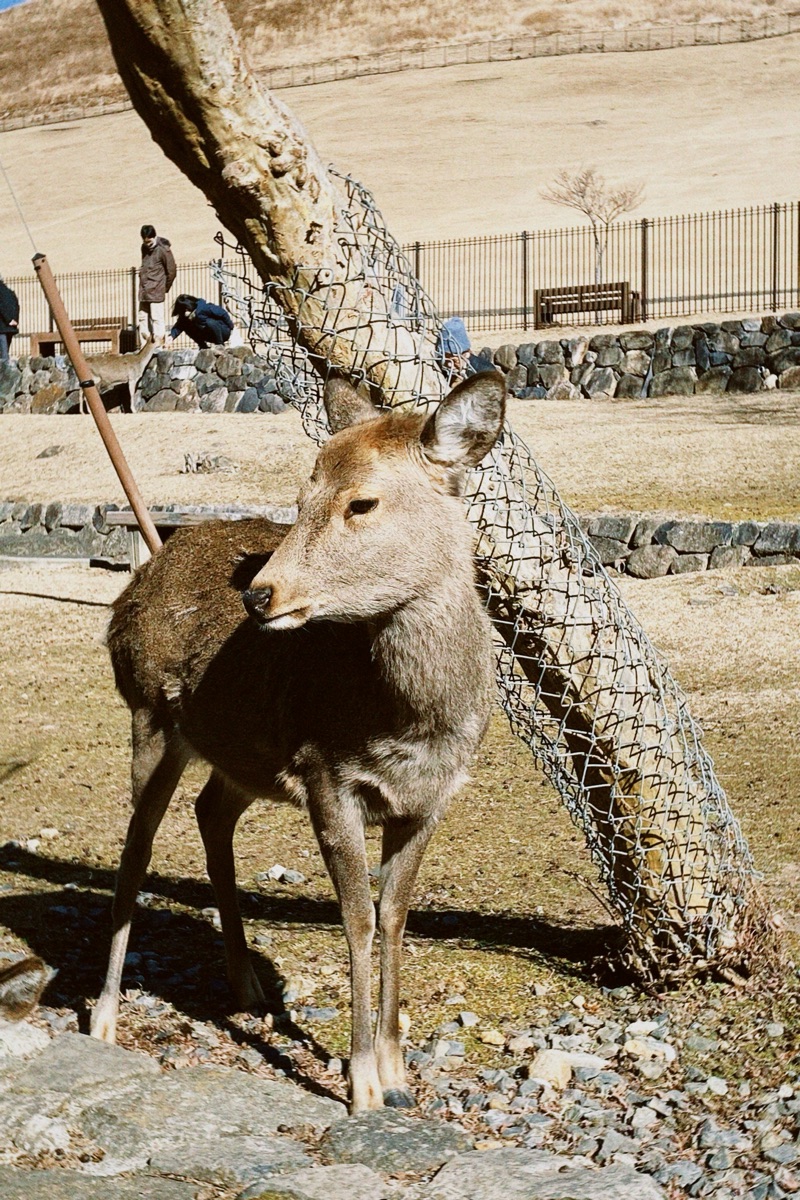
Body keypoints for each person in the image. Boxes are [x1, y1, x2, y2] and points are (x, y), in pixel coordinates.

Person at [138, 224, 176, 345]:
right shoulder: (143, 248)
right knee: (142, 318)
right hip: (144, 291)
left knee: (156, 318)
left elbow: (171, 271)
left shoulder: (163, 250)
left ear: (154, 237)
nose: (147, 245)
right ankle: (144, 347)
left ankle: (159, 345)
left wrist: (164, 288)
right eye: (145, 242)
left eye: (150, 242)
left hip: (157, 290)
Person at [434, 316, 495, 383]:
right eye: (445, 360)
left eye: (454, 361)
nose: (449, 365)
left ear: (466, 354)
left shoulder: (486, 373)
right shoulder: (437, 366)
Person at [168, 293, 234, 348]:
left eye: (186, 310)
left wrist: (231, 327)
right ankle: (203, 346)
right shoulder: (186, 317)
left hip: (223, 332)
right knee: (186, 326)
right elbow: (179, 326)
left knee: (209, 322)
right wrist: (172, 336)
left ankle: (220, 344)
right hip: (209, 335)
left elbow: (222, 313)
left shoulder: (203, 308)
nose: (185, 313)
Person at [0, 275, 19, 362]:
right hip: (10, 327)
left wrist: (8, 320)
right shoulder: (10, 292)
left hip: (2, 328)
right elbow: (17, 306)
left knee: (3, 357)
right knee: (5, 353)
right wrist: (14, 320)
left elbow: (1, 307)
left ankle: (4, 375)